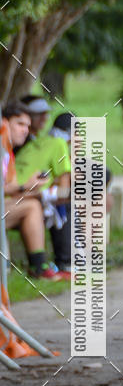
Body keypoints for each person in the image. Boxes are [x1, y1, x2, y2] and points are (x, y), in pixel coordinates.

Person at [2, 102, 62, 280]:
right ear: (4, 123)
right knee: (31, 207)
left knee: (35, 204)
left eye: (28, 126)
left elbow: (10, 190)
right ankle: (40, 267)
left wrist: (32, 188)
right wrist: (25, 186)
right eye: (20, 124)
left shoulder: (8, 152)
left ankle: (42, 266)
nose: (25, 130)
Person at [16, 94, 72, 278]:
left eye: (46, 114)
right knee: (62, 202)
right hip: (19, 198)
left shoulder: (38, 142)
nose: (44, 118)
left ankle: (51, 265)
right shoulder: (52, 144)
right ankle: (63, 264)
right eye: (38, 114)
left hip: (23, 195)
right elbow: (64, 188)